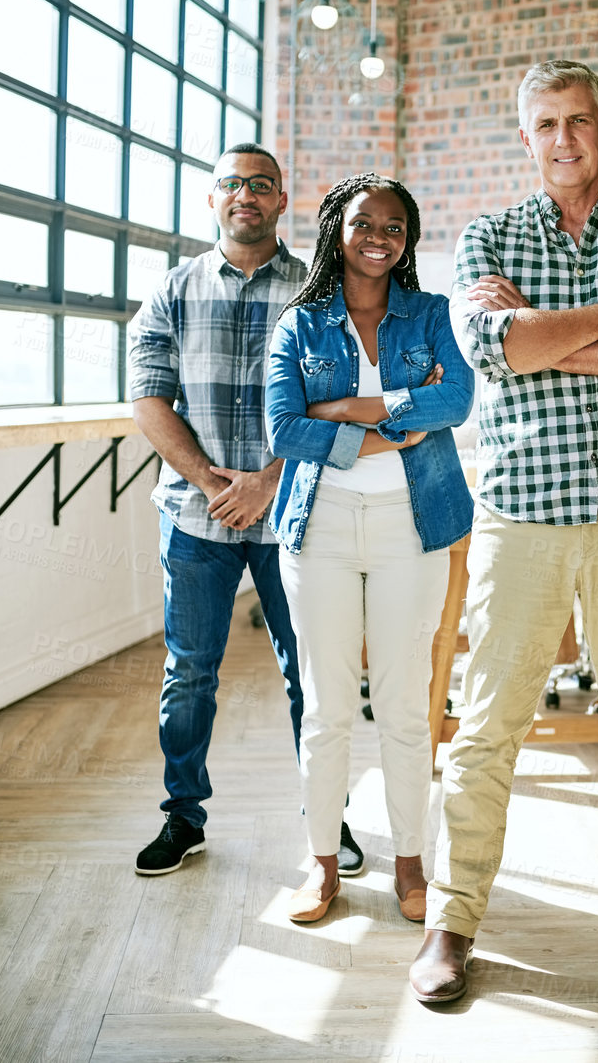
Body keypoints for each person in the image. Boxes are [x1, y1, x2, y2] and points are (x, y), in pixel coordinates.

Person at [409, 60, 598, 1005]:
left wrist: (548, 334)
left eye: (577, 121)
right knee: (483, 730)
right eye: (544, 124)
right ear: (526, 136)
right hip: (521, 512)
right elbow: (489, 350)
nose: (562, 139)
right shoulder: (487, 235)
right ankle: (451, 924)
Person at [127, 143, 362, 877]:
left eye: (261, 185)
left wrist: (265, 481)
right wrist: (208, 481)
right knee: (190, 670)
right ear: (212, 199)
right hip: (197, 519)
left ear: (281, 200)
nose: (245, 196)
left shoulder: (320, 293)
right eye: (231, 184)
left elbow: (341, 406)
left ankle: (327, 820)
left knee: (312, 673)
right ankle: (181, 817)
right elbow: (148, 396)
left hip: (295, 514)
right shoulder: (174, 289)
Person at [264, 175, 474, 924]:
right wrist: (390, 421)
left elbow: (460, 399)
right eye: (363, 222)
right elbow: (283, 429)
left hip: (410, 527)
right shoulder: (301, 324)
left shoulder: (431, 312)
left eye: (394, 225)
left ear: (408, 239)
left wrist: (347, 408)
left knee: (404, 706)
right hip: (317, 528)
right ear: (337, 229)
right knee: (325, 707)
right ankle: (321, 866)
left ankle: (412, 865)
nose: (378, 235)